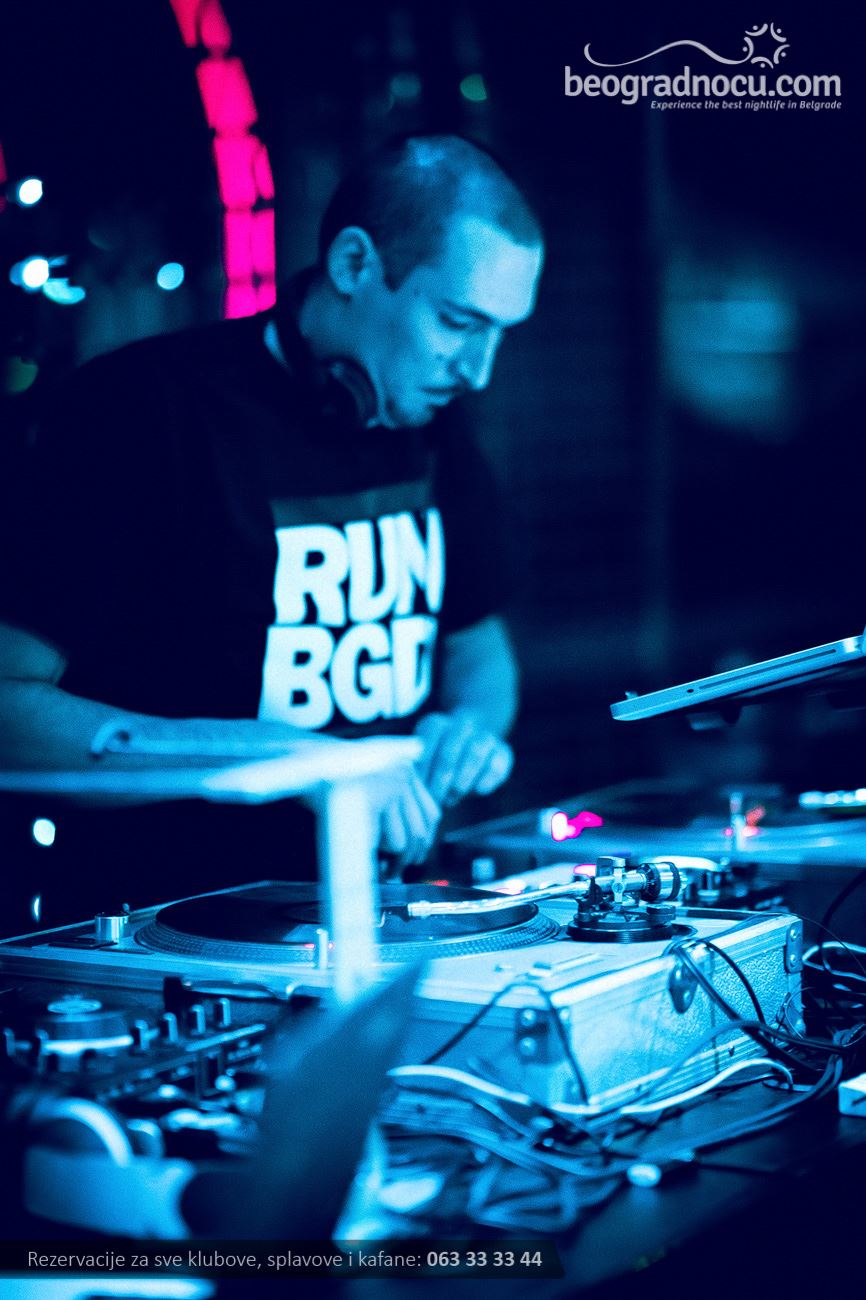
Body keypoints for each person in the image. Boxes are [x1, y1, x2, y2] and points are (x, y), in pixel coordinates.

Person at [0, 134, 544, 914]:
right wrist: (282, 756)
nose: (479, 371)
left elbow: (480, 650)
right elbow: (8, 709)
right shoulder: (141, 411)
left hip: (382, 915)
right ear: (354, 265)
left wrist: (466, 727)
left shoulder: (427, 413)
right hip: (168, 933)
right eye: (458, 322)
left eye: (500, 332)